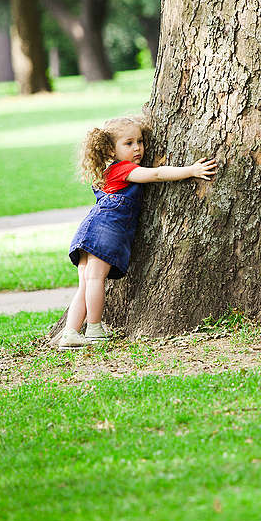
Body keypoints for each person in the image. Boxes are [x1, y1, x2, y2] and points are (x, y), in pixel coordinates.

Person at [51, 115, 218, 350]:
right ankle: (95, 329)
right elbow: (157, 174)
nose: (137, 148)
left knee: (87, 283)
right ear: (110, 150)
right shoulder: (124, 170)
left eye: (139, 141)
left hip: (89, 232)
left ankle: (71, 331)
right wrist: (191, 170)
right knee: (95, 280)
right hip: (103, 230)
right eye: (128, 144)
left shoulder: (109, 172)